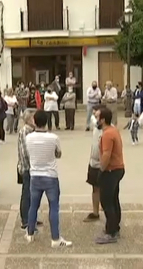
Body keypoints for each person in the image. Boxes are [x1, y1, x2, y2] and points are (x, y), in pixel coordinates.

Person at [24, 110, 72, 248]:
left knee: (33, 206)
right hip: (50, 176)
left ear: (34, 121)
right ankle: (55, 238)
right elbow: (58, 153)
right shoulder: (53, 138)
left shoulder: (29, 138)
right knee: (54, 207)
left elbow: (28, 153)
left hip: (35, 175)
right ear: (46, 121)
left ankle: (30, 233)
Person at [95, 107, 125, 244]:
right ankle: (115, 227)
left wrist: (102, 168)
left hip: (111, 170)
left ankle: (111, 232)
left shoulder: (107, 134)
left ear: (103, 120)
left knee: (106, 201)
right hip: (118, 169)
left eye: (97, 118)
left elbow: (106, 154)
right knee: (113, 200)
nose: (96, 121)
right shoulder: (113, 130)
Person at [17, 109, 44, 229]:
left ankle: (32, 217)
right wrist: (32, 166)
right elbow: (25, 151)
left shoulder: (33, 131)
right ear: (28, 119)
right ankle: (25, 220)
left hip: (35, 167)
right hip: (28, 167)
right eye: (34, 118)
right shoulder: (25, 132)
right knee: (27, 193)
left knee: (34, 194)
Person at [83, 104, 104, 222]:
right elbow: (91, 118)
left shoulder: (109, 129)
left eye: (97, 115)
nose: (95, 118)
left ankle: (108, 211)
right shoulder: (96, 127)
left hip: (103, 164)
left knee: (105, 190)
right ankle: (95, 212)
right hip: (93, 163)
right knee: (95, 188)